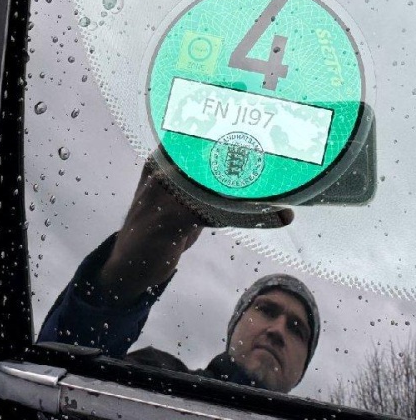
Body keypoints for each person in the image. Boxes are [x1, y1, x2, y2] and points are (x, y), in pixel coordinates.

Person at [38, 158, 320, 393]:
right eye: (267, 310)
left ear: (303, 370)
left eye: (297, 329)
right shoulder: (156, 380)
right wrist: (120, 282)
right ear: (234, 327)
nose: (277, 331)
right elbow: (57, 385)